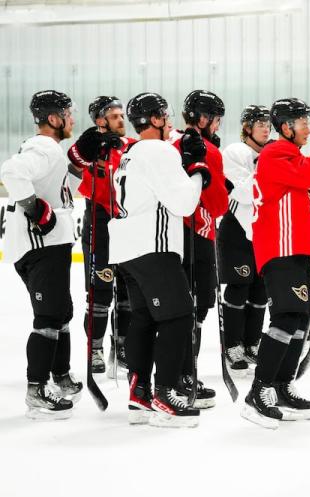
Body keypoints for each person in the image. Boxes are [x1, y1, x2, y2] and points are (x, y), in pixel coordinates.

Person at [109, 92, 205, 427]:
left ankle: (139, 392)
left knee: (145, 318)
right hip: (153, 245)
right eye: (165, 116)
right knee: (179, 315)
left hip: (128, 248)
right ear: (154, 119)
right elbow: (184, 204)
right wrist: (198, 171)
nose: (170, 122)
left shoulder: (130, 153)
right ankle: (165, 394)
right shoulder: (158, 150)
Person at [244, 98, 310, 429]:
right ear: (285, 127)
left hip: (298, 250)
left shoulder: (291, 156)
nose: (309, 128)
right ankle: (260, 390)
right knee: (285, 317)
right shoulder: (274, 153)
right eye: (302, 122)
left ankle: (281, 385)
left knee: (299, 320)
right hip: (281, 250)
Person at [1, 90, 83, 419]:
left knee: (62, 310)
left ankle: (59, 375)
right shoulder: (44, 146)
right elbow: (11, 171)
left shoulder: (54, 150)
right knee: (49, 315)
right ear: (53, 119)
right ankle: (37, 389)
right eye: (67, 113)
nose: (72, 118)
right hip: (39, 246)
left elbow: (65, 189)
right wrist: (36, 211)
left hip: (50, 244)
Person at [168, 90, 229, 409]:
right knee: (197, 309)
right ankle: (185, 375)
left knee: (176, 309)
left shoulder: (169, 143)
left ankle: (173, 375)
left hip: (169, 235)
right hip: (198, 235)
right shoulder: (207, 150)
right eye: (216, 120)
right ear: (204, 119)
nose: (217, 127)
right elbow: (218, 205)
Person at [78, 95, 135, 377]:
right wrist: (94, 144)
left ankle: (121, 346)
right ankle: (95, 348)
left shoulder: (130, 146)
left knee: (126, 289)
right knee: (100, 291)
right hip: (99, 223)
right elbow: (75, 159)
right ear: (101, 121)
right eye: (114, 116)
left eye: (122, 115)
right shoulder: (92, 147)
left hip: (125, 223)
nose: (121, 120)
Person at [220, 105, 271, 370]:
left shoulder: (274, 152)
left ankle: (252, 343)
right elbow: (245, 192)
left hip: (264, 232)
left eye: (267, 123)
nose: (265, 128)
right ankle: (232, 345)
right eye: (259, 123)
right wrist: (269, 168)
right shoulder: (235, 152)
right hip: (237, 230)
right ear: (247, 128)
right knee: (239, 287)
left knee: (261, 289)